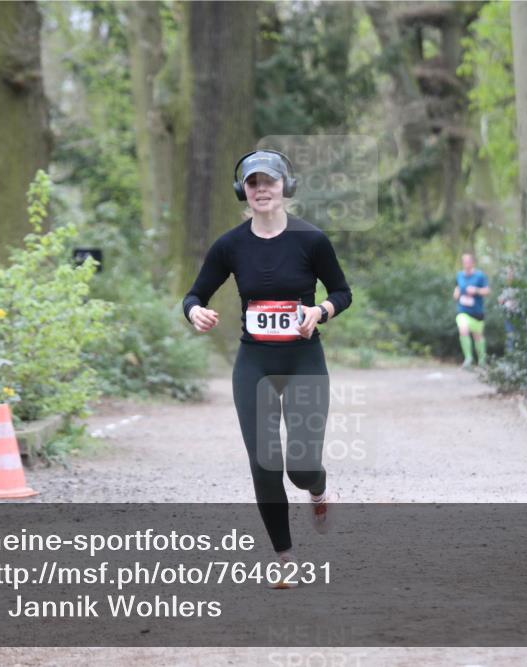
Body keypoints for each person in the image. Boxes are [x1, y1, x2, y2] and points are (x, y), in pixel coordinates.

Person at [182, 149, 352, 588]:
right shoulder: (230, 245)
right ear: (244, 190)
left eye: (269, 182)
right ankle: (285, 557)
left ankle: (317, 488)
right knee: (264, 462)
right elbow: (194, 294)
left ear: (284, 188)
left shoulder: (311, 240)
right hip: (254, 363)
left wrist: (321, 311)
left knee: (300, 466)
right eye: (253, 183)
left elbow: (341, 291)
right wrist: (195, 312)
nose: (261, 190)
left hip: (303, 361)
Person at [452, 253, 490, 368]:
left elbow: (487, 291)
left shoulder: (480, 276)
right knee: (463, 329)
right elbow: (457, 289)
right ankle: (468, 358)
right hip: (463, 311)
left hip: (477, 312)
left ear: (473, 263)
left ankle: (482, 360)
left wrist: (476, 290)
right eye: (464, 262)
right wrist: (456, 294)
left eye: (468, 261)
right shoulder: (459, 275)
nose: (466, 264)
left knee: (478, 336)